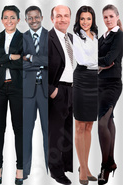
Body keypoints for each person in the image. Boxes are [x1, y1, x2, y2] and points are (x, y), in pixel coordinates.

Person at [0, 6, 24, 184]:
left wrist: (4, 60)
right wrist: (11, 57)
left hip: (17, 87)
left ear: (18, 20)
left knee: (18, 129)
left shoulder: (24, 38)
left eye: (12, 18)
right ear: (2, 20)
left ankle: (19, 170)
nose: (9, 21)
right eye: (5, 18)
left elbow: (25, 60)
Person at [72, 5, 100, 185]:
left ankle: (86, 166)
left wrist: (99, 63)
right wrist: (99, 62)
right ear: (78, 20)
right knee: (80, 125)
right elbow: (82, 60)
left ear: (93, 20)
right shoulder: (75, 37)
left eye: (88, 19)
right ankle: (82, 168)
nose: (85, 22)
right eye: (82, 19)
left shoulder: (97, 36)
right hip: (82, 79)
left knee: (89, 125)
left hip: (96, 82)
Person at [21, 6, 49, 184]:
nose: (33, 21)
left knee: (50, 132)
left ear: (42, 17)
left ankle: (51, 169)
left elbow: (53, 60)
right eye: (30, 18)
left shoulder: (50, 36)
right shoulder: (20, 37)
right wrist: (42, 63)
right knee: (25, 133)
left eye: (36, 17)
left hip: (47, 91)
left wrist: (30, 59)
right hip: (27, 92)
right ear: (26, 20)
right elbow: (17, 64)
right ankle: (23, 171)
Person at [47, 5, 76, 184]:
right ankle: (56, 171)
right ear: (52, 19)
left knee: (67, 131)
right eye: (59, 16)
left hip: (73, 90)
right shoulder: (47, 38)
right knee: (55, 132)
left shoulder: (72, 38)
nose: (63, 19)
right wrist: (52, 91)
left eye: (66, 16)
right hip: (57, 90)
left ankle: (66, 165)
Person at [98, 4, 123, 185]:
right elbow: (91, 58)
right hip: (99, 83)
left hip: (113, 84)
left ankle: (104, 165)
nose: (108, 20)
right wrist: (99, 62)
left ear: (117, 16)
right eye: (105, 17)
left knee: (102, 122)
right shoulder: (103, 36)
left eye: (111, 16)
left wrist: (99, 62)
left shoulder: (119, 35)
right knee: (109, 120)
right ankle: (112, 162)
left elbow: (108, 60)